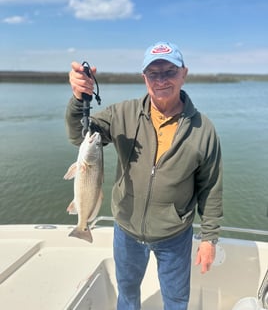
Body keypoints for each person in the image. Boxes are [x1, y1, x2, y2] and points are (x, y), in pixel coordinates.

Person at [65, 41, 223, 310]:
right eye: (153, 73)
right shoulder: (122, 113)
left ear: (183, 73)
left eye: (169, 72)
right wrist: (80, 98)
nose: (161, 80)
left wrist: (209, 238)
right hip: (126, 229)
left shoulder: (203, 129)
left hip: (174, 235)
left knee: (176, 299)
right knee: (127, 293)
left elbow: (211, 187)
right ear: (144, 78)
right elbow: (80, 135)